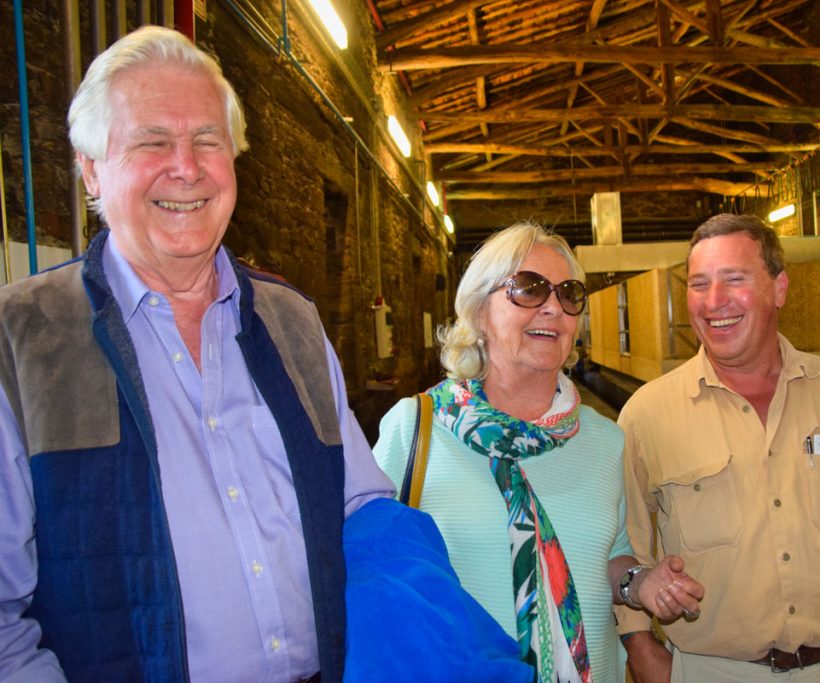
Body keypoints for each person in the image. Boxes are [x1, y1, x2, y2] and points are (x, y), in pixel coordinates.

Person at [0, 26, 428, 682]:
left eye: (208, 140)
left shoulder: (292, 321)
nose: (188, 167)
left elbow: (357, 507)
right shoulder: (25, 340)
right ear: (91, 166)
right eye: (152, 141)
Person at [373, 222, 705, 682]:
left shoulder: (604, 440)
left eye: (568, 294)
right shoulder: (415, 429)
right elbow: (369, 567)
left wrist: (639, 583)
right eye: (529, 289)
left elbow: (610, 559)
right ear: (480, 313)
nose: (553, 307)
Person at [616, 214, 820, 682]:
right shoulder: (646, 416)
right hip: (714, 671)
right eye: (698, 284)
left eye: (734, 280)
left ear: (779, 287)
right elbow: (624, 546)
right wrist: (643, 652)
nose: (714, 301)